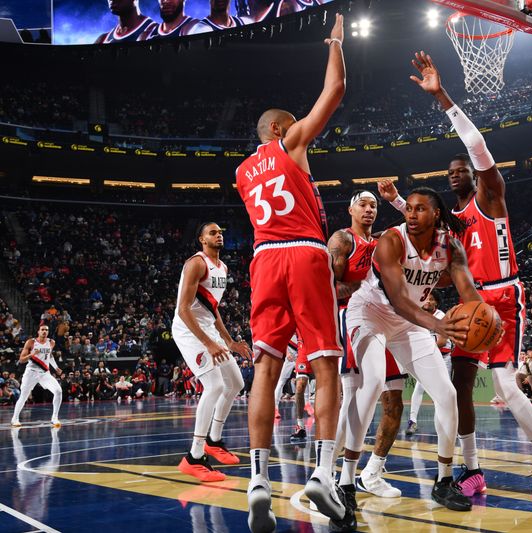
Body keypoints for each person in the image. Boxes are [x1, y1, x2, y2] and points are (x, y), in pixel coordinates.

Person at [386, 51, 532, 502]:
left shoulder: (490, 196)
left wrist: (442, 97)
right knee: (459, 385)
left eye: (460, 171)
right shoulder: (453, 224)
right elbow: (422, 230)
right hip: (472, 302)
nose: (454, 176)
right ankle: (472, 469)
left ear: (474, 173)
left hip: (504, 296)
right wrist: (395, 203)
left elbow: (478, 145)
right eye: (449, 174)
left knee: (505, 383)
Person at [236, 14, 346, 532]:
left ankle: (258, 481)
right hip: (303, 252)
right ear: (278, 130)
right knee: (325, 365)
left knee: (265, 369)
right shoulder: (290, 144)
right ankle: (323, 474)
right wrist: (335, 42)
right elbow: (335, 88)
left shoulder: (241, 172)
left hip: (263, 260)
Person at [344, 187, 474, 519]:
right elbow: (400, 300)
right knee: (372, 384)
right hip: (370, 313)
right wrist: (437, 325)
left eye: (420, 209)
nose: (411, 214)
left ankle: (444, 480)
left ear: (436, 215)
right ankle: (345, 482)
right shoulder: (391, 239)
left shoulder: (451, 247)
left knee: (447, 395)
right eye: (409, 208)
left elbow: (467, 290)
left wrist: (483, 317)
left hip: (408, 323)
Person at [329, 190, 407, 500]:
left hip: (387, 320)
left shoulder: (383, 244)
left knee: (394, 400)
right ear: (350, 208)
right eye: (362, 203)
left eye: (374, 205)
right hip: (353, 316)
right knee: (353, 397)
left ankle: (372, 472)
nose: (369, 209)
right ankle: (330, 470)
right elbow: (329, 288)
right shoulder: (342, 240)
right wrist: (365, 285)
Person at [172, 222, 250, 483]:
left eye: (221, 233)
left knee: (236, 383)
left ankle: (214, 441)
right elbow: (184, 310)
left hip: (208, 330)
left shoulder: (223, 267)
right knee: (215, 385)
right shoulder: (196, 263)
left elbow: (212, 309)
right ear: (202, 239)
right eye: (213, 233)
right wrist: (208, 343)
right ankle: (193, 457)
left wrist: (230, 342)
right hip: (188, 330)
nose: (219, 236)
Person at [407, 290, 453, 432]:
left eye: (431, 299)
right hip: (428, 357)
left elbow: (442, 341)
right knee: (419, 388)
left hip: (443, 358)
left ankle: (446, 422)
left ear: (436, 303)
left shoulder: (441, 316)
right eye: (426, 298)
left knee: (443, 391)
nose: (428, 301)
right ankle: (412, 421)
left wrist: (423, 347)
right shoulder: (418, 317)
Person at [10, 324, 63, 427]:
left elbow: (50, 355)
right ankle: (14, 418)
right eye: (42, 330)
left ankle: (54, 418)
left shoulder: (51, 342)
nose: (44, 331)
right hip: (31, 372)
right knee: (24, 396)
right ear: (38, 331)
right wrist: (32, 354)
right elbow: (21, 359)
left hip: (44, 373)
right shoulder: (31, 342)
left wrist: (56, 367)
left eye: (46, 330)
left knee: (58, 391)